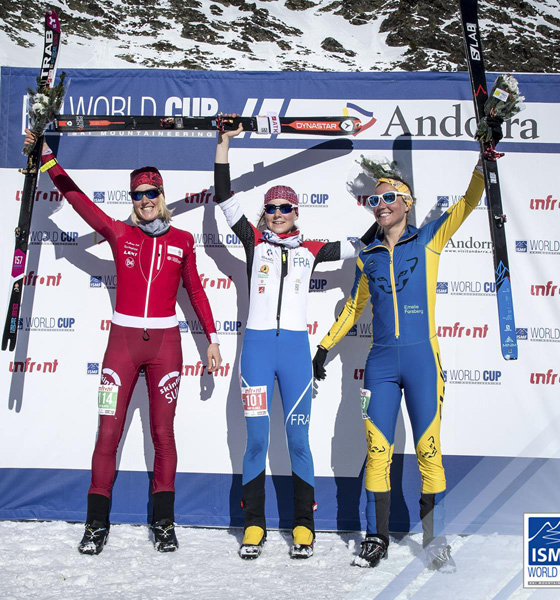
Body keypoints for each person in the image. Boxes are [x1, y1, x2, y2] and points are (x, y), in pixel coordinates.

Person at [25, 130, 222, 555]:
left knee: (163, 434)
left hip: (167, 343)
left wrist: (211, 338)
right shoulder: (118, 233)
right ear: (131, 199)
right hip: (122, 342)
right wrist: (47, 160)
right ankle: (96, 524)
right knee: (107, 433)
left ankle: (164, 522)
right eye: (137, 194)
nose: (144, 200)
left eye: (151, 192)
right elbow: (79, 203)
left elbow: (197, 291)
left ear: (162, 194)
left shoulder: (183, 241)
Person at [313, 153, 488, 570]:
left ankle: (434, 540)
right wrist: (323, 347)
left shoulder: (429, 238)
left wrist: (483, 164)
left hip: (423, 361)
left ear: (407, 203)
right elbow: (354, 308)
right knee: (378, 453)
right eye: (375, 200)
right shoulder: (368, 254)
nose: (383, 204)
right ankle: (376, 539)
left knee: (430, 450)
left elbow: (467, 202)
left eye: (390, 197)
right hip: (381, 365)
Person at [214, 118, 377, 560]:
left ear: (297, 213)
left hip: (294, 353)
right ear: (264, 213)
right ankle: (254, 526)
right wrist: (223, 147)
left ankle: (304, 524)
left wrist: (379, 205)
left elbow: (359, 245)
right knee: (257, 442)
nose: (279, 214)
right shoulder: (253, 243)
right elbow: (224, 199)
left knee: (299, 442)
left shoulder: (310, 249)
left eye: (286, 208)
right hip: (257, 352)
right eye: (273, 208)